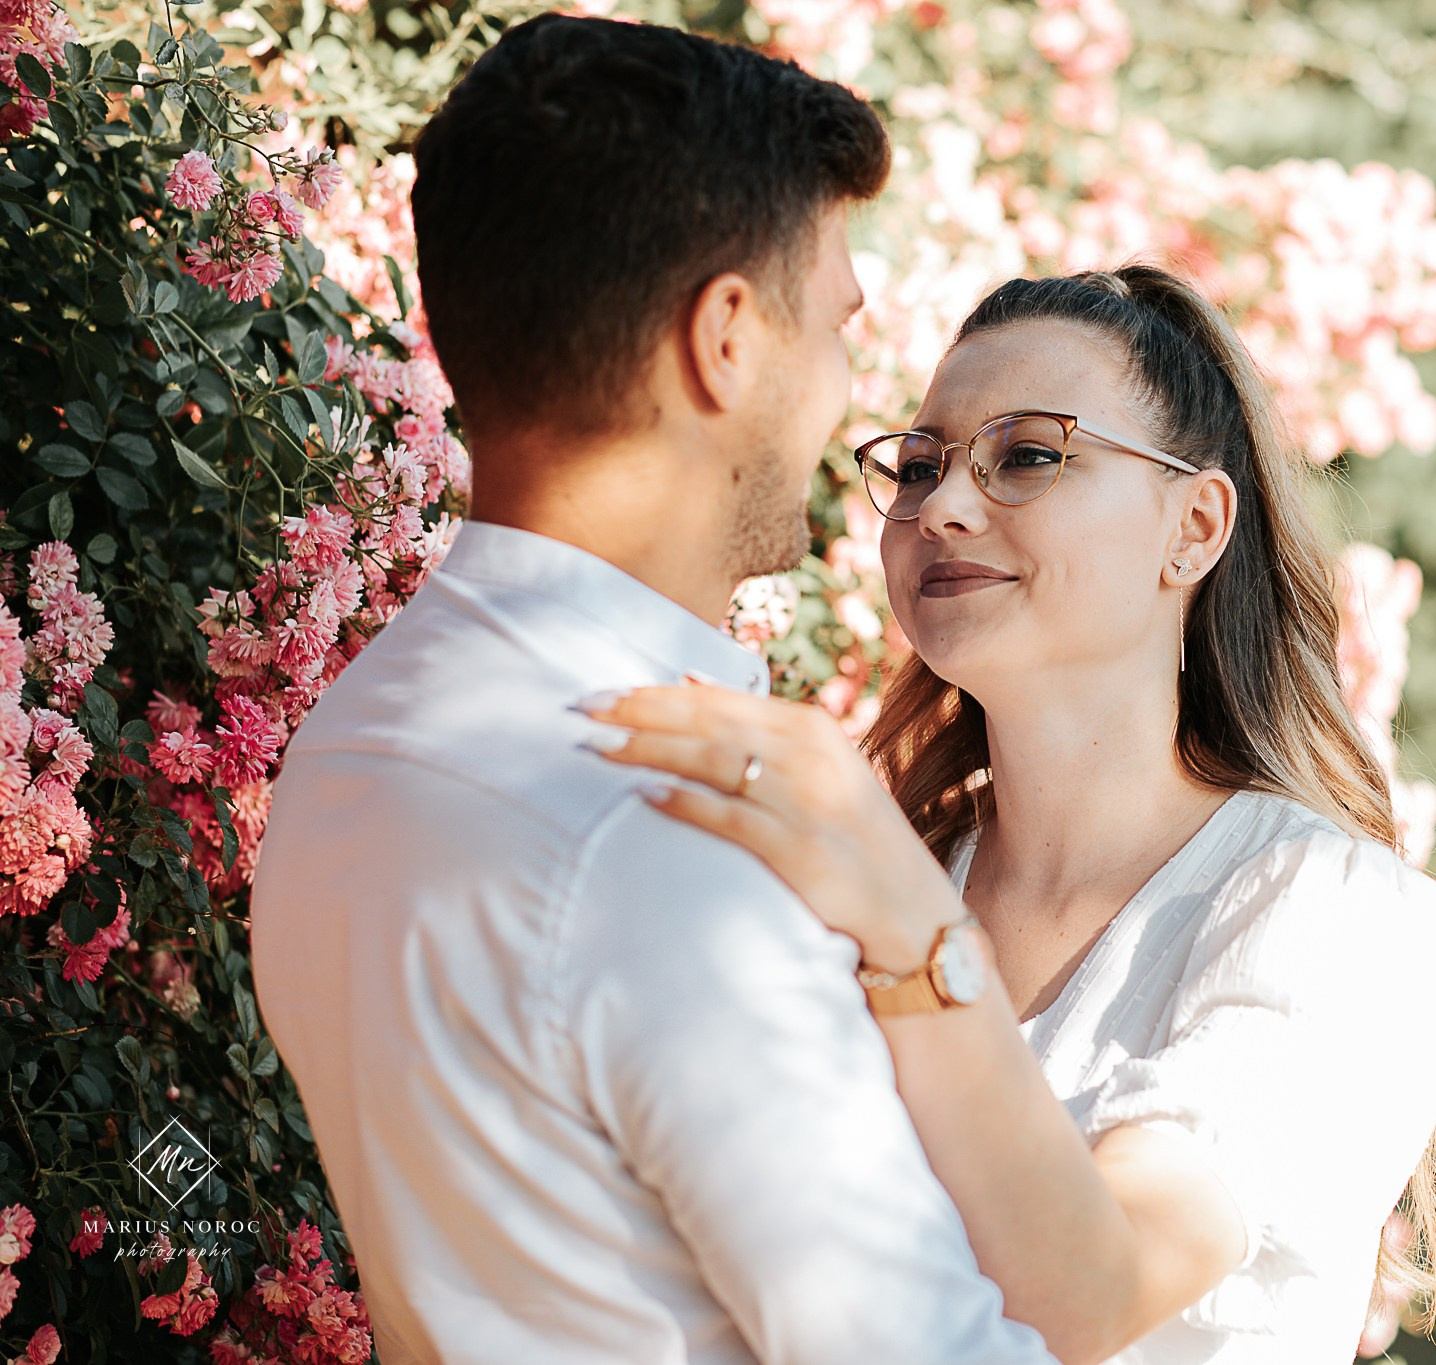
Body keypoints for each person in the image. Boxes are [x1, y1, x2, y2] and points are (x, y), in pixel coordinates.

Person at [248, 16, 1058, 1365]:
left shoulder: (352, 741)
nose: (851, 397)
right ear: (729, 338)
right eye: (840, 329)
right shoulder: (673, 832)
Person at [581, 263, 1436, 1365]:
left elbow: (1093, 1291)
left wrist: (909, 936)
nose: (942, 507)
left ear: (1192, 527)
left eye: (1029, 456)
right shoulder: (869, 878)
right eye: (918, 465)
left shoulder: (1344, 923)